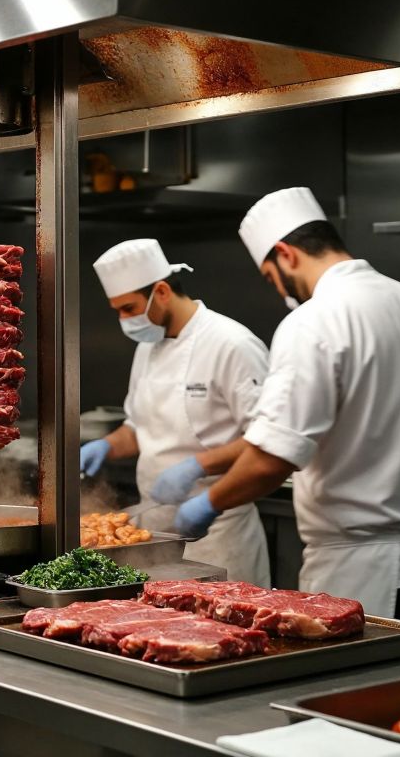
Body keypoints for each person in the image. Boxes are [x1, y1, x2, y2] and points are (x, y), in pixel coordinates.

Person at [174, 187, 400, 638]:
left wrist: (208, 503)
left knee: (366, 685)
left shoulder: (313, 322)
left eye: (271, 277)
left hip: (367, 582)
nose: (278, 290)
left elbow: (272, 460)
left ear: (285, 254)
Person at [80, 238, 272, 586]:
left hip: (217, 532)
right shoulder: (148, 346)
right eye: (118, 311)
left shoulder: (232, 343)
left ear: (162, 292)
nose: (124, 320)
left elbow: (268, 437)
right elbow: (138, 428)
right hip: (153, 534)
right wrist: (106, 446)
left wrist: (198, 466)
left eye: (129, 308)